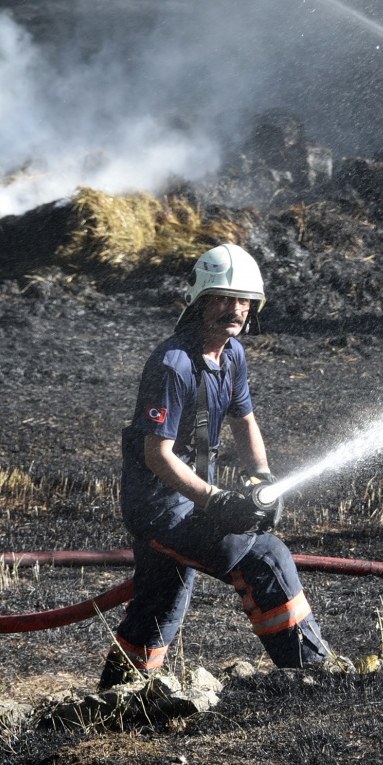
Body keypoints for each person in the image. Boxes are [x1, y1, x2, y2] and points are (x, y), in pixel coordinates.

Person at [100, 244, 330, 688]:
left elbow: (245, 420)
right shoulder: (172, 365)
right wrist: (217, 500)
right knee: (265, 556)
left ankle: (116, 698)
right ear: (201, 300)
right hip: (160, 511)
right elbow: (157, 455)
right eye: (225, 298)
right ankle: (312, 678)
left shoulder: (232, 356)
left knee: (161, 601)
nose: (236, 309)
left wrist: (262, 479)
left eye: (244, 301)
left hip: (188, 501)